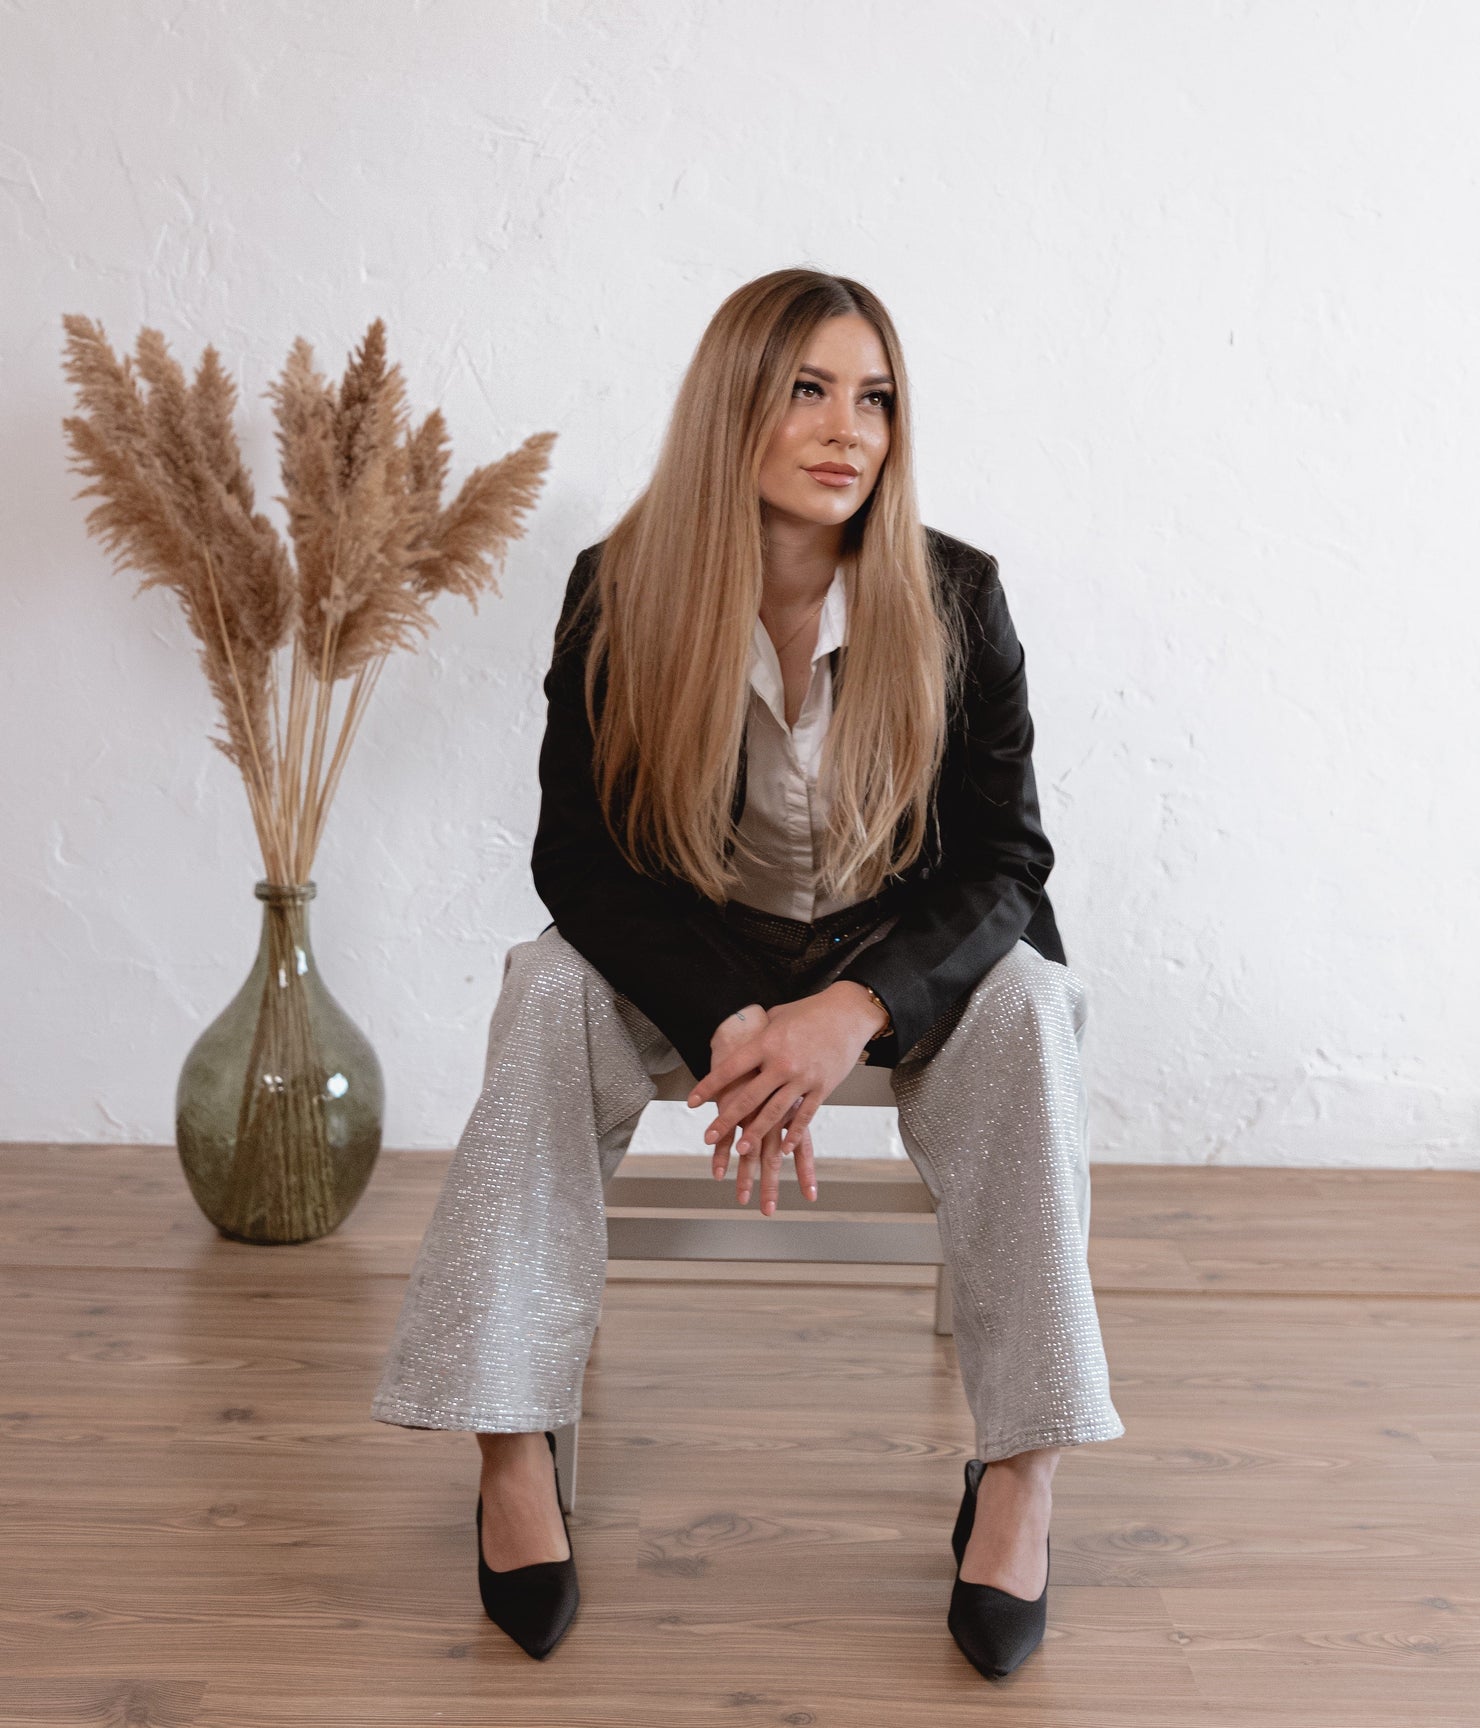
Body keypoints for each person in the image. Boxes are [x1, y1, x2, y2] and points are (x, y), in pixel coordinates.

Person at [370, 267, 1125, 1678]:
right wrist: (729, 1012)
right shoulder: (621, 588)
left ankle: (1023, 1469)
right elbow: (581, 862)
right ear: (736, 406)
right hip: (696, 960)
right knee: (543, 986)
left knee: (1029, 999)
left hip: (886, 967)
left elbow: (1007, 864)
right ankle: (506, 1441)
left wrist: (855, 1010)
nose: (851, 429)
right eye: (808, 390)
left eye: (876, 397)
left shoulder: (956, 595)